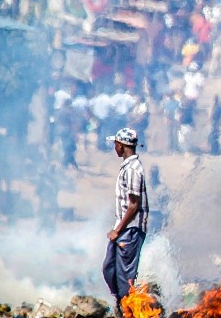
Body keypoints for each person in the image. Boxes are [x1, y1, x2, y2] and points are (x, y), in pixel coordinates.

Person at [102, 128, 149, 316]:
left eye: (116, 144)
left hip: (130, 230)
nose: (115, 147)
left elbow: (134, 205)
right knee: (109, 268)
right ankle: (121, 304)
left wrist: (118, 230)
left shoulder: (133, 170)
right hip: (122, 229)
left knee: (125, 278)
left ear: (121, 146)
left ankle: (128, 310)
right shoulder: (127, 168)